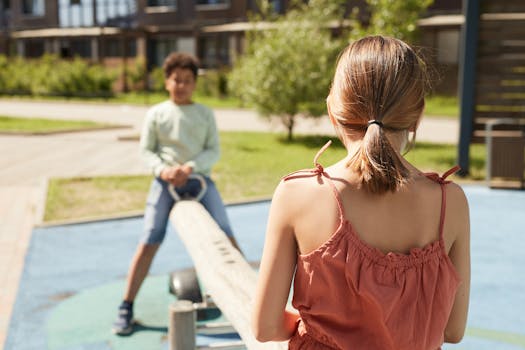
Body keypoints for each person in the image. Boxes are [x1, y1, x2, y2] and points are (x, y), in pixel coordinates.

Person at [251, 35, 470, 349]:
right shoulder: (452, 202)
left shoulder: (297, 194)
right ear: (417, 114)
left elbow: (265, 327)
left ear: (332, 110)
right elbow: (453, 330)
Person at [112, 52, 241, 335]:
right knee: (149, 240)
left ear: (194, 83)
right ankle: (126, 305)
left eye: (187, 80)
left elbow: (213, 150)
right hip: (164, 184)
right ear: (166, 82)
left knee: (226, 236)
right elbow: (147, 150)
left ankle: (251, 300)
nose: (181, 85)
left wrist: (191, 167)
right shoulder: (157, 114)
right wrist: (162, 170)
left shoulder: (205, 113)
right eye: (175, 80)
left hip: (200, 182)